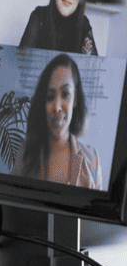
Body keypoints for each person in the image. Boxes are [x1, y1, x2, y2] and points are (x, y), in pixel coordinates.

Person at [12, 54, 101, 189]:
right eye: (50, 96)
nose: (57, 107)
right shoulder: (25, 153)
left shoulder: (92, 159)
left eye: (65, 94)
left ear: (75, 99)